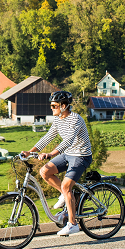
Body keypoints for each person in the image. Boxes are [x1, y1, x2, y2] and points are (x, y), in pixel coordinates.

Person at [21, 90, 92, 236]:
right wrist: (30, 151)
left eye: (54, 106)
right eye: (51, 106)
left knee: (66, 186)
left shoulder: (76, 119)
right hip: (68, 154)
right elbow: (48, 137)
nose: (51, 108)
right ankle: (67, 196)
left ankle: (73, 224)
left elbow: (69, 140)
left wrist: (51, 154)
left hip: (81, 156)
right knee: (45, 171)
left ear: (64, 106)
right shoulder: (58, 120)